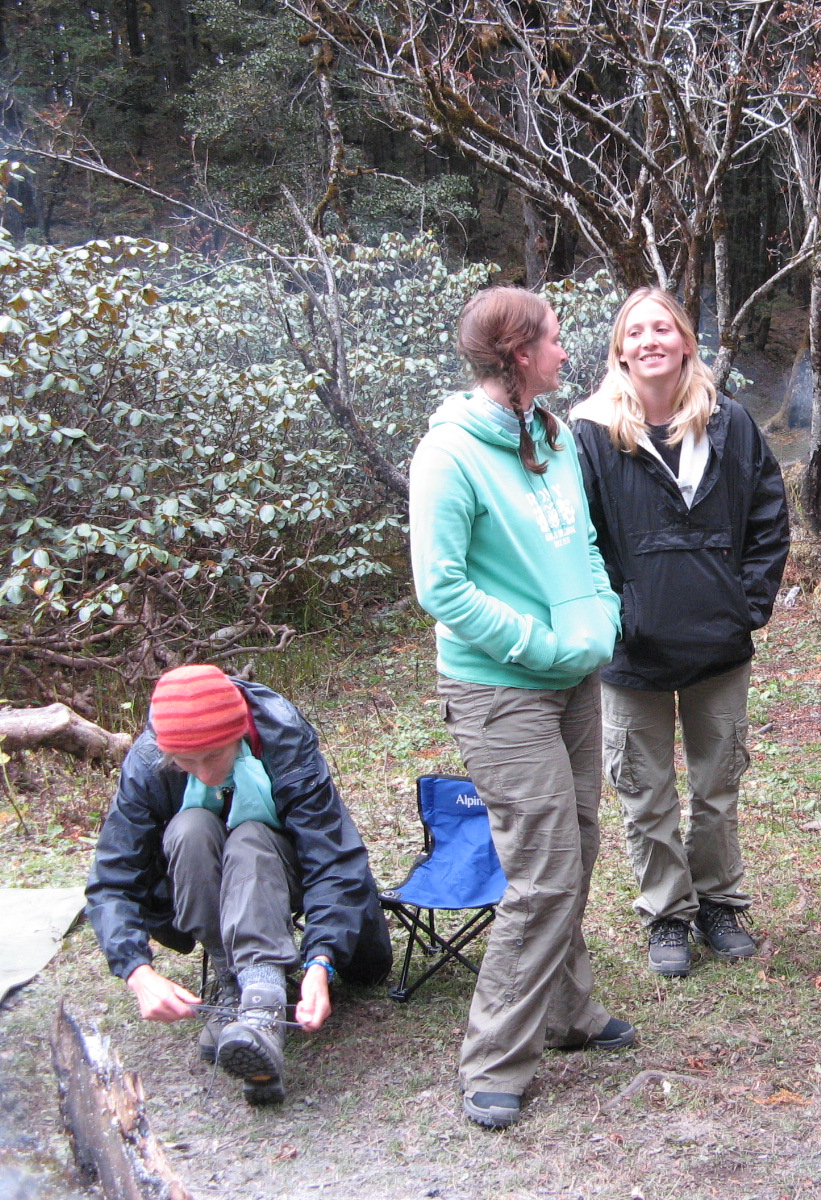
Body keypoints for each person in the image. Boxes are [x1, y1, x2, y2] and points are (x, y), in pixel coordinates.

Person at [410, 285, 634, 1130]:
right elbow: (442, 588)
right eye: (551, 339)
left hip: (576, 674)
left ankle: (568, 1012)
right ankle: (494, 1060)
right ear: (514, 356)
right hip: (500, 687)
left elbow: (577, 536)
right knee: (543, 870)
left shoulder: (551, 432)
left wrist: (599, 615)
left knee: (576, 841)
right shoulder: (449, 455)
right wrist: (540, 645)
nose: (566, 350)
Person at [569, 288, 789, 977]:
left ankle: (720, 903)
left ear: (687, 341)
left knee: (717, 784)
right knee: (645, 791)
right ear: (620, 349)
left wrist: (745, 603)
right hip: (632, 649)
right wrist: (616, 614)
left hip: (717, 644)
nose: (650, 340)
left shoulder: (728, 424)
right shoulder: (591, 432)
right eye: (636, 331)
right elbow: (581, 540)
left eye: (663, 327)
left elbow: (767, 516)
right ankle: (668, 914)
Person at [85, 663, 392, 1105]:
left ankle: (263, 998)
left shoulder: (282, 738)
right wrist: (137, 972)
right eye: (185, 763)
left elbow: (332, 858)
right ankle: (234, 979)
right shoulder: (147, 762)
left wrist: (321, 961)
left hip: (282, 870)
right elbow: (112, 879)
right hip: (199, 867)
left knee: (249, 839)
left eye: (214, 755)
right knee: (190, 828)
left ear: (240, 733)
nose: (204, 772)